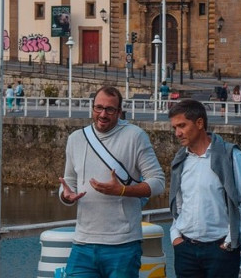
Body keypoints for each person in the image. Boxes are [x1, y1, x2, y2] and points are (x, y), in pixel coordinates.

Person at [59, 86, 165, 278]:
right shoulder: (76, 139)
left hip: (123, 245)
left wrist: (123, 190)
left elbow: (158, 182)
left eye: (109, 109)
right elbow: (69, 181)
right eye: (98, 108)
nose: (102, 114)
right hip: (83, 243)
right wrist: (66, 196)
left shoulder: (135, 136)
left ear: (119, 112)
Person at [168, 98, 241, 277]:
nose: (177, 133)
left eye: (182, 125)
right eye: (174, 127)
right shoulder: (180, 159)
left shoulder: (230, 155)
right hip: (185, 250)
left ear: (199, 123)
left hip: (220, 251)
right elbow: (179, 203)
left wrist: (230, 242)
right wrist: (175, 236)